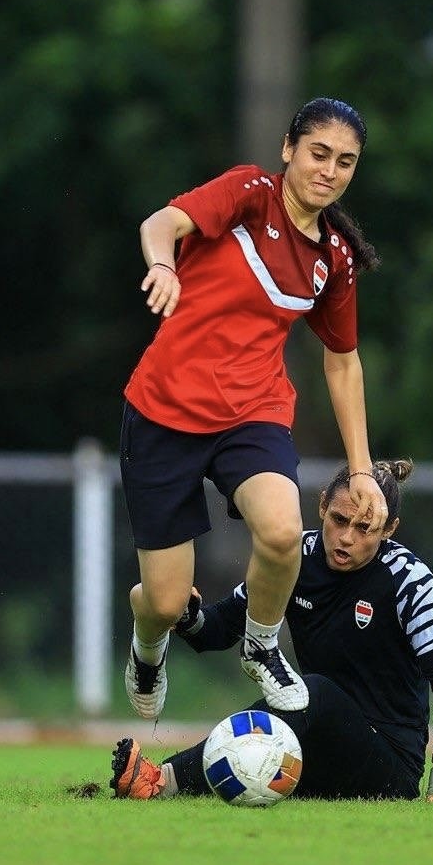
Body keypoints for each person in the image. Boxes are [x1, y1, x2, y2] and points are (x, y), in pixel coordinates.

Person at [121, 97, 389, 720]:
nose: (330, 170)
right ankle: (148, 643)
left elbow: (342, 361)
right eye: (318, 153)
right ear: (288, 149)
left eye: (345, 162)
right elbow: (161, 223)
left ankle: (261, 645)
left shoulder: (334, 258)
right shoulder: (248, 194)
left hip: (253, 410)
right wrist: (163, 265)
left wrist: (361, 468)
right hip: (163, 412)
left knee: (281, 530)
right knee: (163, 600)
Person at [111, 459, 433, 805]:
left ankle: (162, 780)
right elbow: (217, 632)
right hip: (312, 749)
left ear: (389, 528)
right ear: (323, 504)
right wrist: (184, 614)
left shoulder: (410, 579)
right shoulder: (296, 558)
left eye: (364, 528)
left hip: (388, 767)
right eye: (339, 520)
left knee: (306, 692)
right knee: (300, 694)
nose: (346, 538)